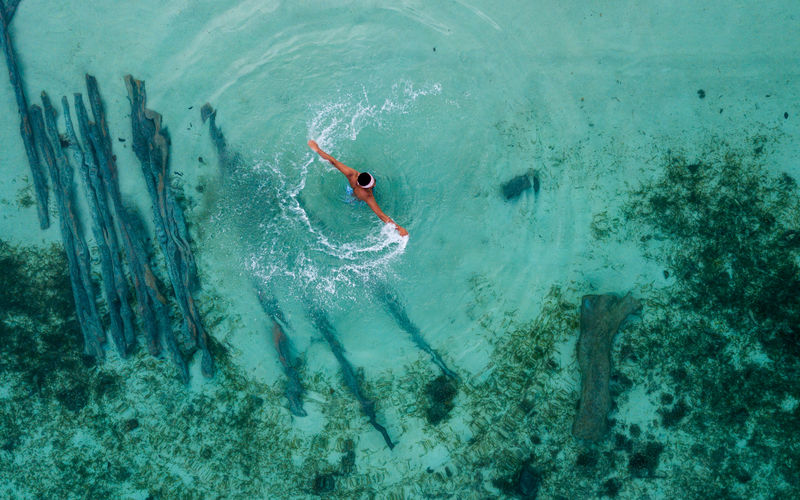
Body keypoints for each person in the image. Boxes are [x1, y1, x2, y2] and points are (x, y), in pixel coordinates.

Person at [308, 140, 408, 237]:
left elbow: (333, 162)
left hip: (351, 189)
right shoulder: (367, 196)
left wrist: (317, 149)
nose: (374, 185)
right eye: (372, 185)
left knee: (353, 192)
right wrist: (399, 228)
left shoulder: (352, 174)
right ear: (366, 187)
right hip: (359, 199)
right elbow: (381, 214)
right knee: (358, 201)